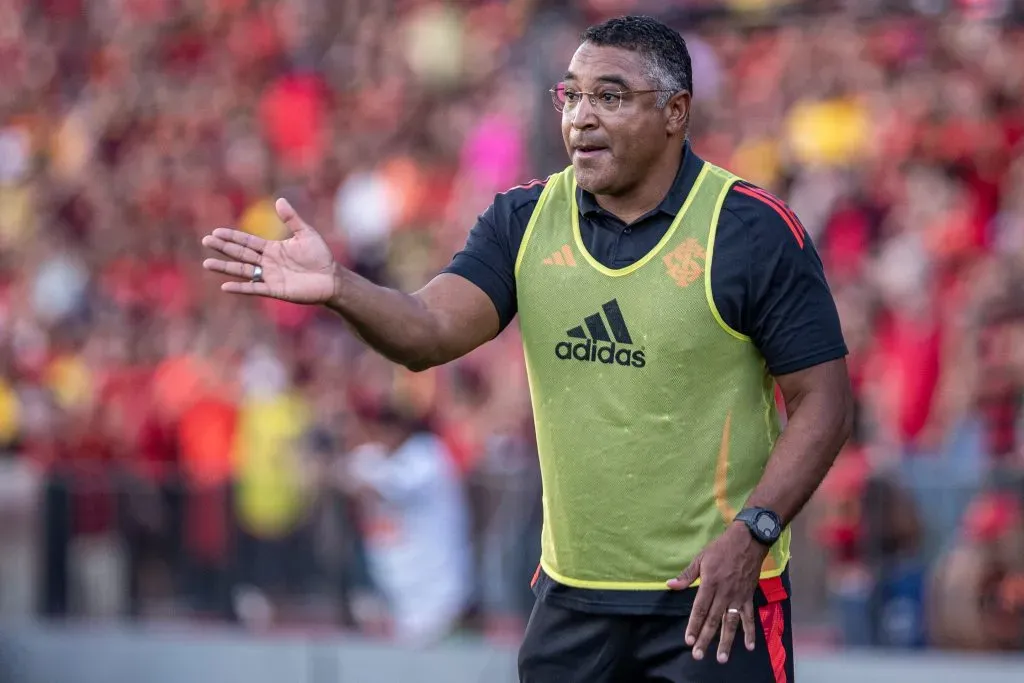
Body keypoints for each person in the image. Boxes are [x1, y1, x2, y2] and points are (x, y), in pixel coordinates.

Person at [201, 14, 853, 682]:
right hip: (571, 602)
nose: (580, 117)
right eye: (570, 94)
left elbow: (824, 402)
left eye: (611, 96)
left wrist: (754, 531)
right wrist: (341, 286)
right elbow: (427, 330)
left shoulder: (750, 230)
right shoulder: (522, 219)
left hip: (715, 598)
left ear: (674, 111)